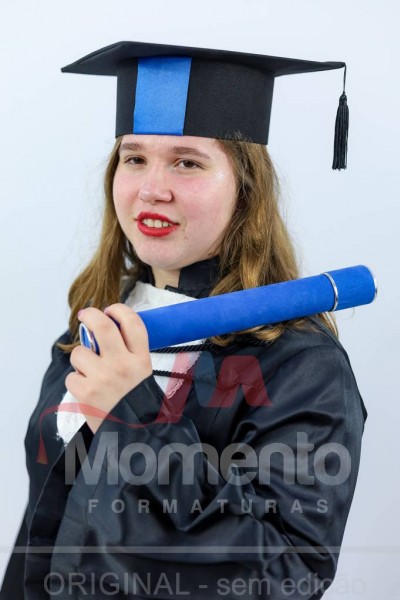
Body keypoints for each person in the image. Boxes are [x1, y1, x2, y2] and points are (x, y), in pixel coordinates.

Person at [0, 42, 366, 599]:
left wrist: (137, 414)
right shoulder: (99, 327)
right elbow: (44, 529)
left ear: (246, 189)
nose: (152, 188)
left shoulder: (301, 364)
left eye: (188, 162)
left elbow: (286, 575)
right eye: (134, 158)